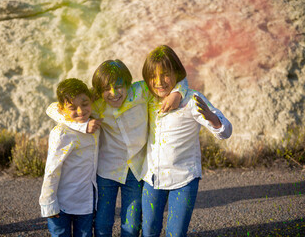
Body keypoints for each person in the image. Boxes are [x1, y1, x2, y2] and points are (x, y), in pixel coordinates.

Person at [46, 59, 188, 237]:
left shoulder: (141, 92)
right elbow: (53, 109)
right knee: (103, 223)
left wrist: (178, 93)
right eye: (106, 89)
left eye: (119, 86)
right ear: (99, 90)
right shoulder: (96, 103)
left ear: (128, 83)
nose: (113, 93)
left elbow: (177, 81)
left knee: (132, 223)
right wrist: (83, 126)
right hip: (107, 171)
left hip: (136, 171)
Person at [141, 45, 233, 237]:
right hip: (152, 177)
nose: (159, 82)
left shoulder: (192, 99)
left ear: (176, 72)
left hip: (184, 179)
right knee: (149, 230)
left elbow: (226, 131)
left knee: (176, 233)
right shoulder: (147, 98)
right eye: (153, 76)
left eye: (165, 74)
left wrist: (212, 119)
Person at [39, 78, 100, 237]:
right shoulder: (62, 133)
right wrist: (49, 204)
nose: (80, 111)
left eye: (85, 104)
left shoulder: (94, 125)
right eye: (72, 107)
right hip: (62, 204)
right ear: (62, 109)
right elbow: (52, 170)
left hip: (86, 202)